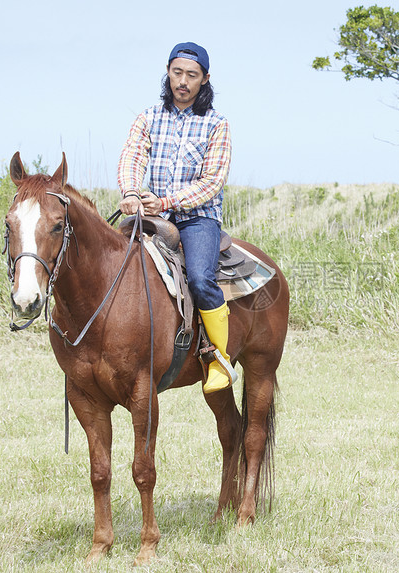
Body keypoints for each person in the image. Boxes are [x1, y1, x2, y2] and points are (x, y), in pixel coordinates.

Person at [117, 41, 236, 394]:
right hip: (151, 215)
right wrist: (131, 193)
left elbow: (212, 182)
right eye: (177, 72)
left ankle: (219, 359)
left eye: (191, 75)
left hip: (198, 218)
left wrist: (166, 200)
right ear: (168, 72)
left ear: (205, 79)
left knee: (200, 278)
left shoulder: (217, 124)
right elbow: (132, 157)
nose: (182, 81)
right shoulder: (148, 117)